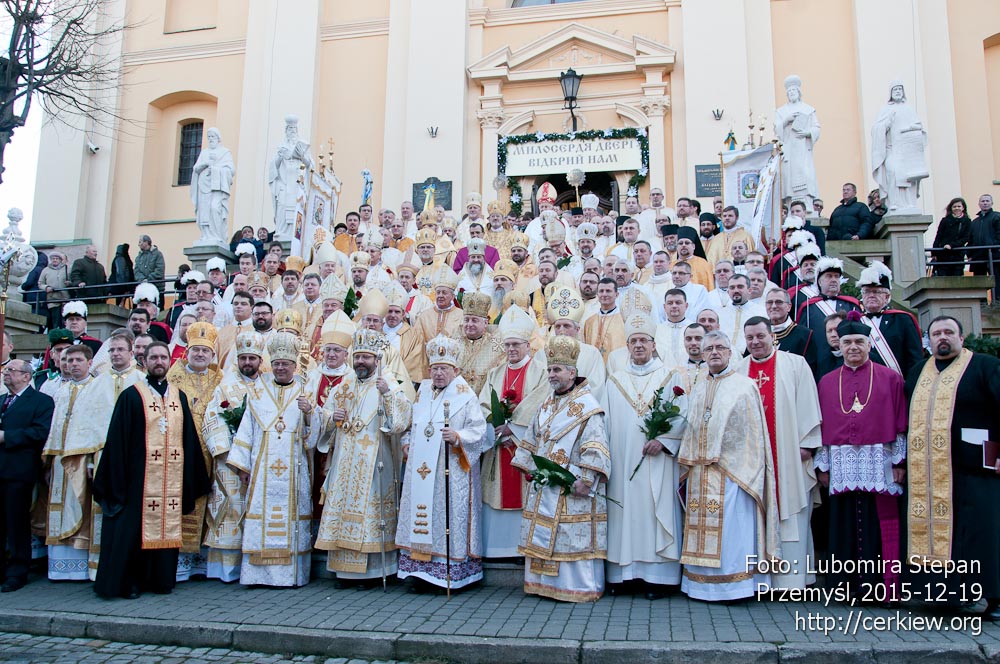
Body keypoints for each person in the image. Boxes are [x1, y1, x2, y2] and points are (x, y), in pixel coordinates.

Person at [92, 342, 211, 599]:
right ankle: (130, 583)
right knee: (132, 533)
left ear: (169, 361)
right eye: (154, 357)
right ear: (144, 361)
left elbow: (189, 439)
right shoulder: (132, 395)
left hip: (171, 478)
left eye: (163, 357)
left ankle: (160, 580)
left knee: (166, 528)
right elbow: (117, 441)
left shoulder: (177, 396)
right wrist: (119, 480)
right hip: (138, 479)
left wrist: (193, 476)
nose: (159, 362)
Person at [904, 316, 1000, 619]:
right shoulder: (918, 371)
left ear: (962, 337)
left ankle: (991, 597)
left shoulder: (985, 366)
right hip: (929, 474)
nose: (942, 338)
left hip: (975, 469)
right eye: (936, 333)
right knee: (938, 534)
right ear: (928, 340)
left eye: (949, 332)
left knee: (980, 534)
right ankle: (940, 594)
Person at [677, 330, 779, 601]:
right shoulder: (698, 388)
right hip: (701, 472)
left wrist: (726, 460)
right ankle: (701, 585)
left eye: (719, 348)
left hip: (733, 473)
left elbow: (753, 436)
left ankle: (737, 587)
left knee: (734, 533)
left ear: (730, 352)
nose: (713, 352)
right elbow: (692, 428)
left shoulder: (744, 387)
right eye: (708, 348)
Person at [511, 335, 609, 602]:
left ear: (572, 372)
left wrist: (586, 479)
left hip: (572, 485)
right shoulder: (547, 403)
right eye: (550, 370)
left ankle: (576, 587)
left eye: (557, 370)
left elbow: (596, 444)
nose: (551, 375)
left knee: (569, 534)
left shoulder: (589, 407)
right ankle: (542, 584)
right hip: (545, 484)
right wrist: (527, 467)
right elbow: (532, 438)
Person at [815, 312, 907, 599]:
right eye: (847, 342)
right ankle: (845, 586)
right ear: (838, 346)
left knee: (880, 520)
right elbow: (820, 426)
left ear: (869, 345)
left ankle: (884, 585)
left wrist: (899, 461)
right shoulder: (827, 381)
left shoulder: (891, 378)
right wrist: (822, 464)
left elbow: (901, 422)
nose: (853, 347)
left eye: (859, 342)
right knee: (843, 521)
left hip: (880, 459)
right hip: (841, 460)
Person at [313, 328, 412, 587]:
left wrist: (389, 394)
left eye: (366, 358)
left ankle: (374, 572)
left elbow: (402, 421)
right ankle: (343, 571)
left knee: (370, 513)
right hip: (344, 462)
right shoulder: (342, 387)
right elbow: (325, 417)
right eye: (357, 357)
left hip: (376, 462)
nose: (360, 362)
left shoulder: (387, 382)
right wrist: (330, 420)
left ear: (376, 360)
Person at [601, 313, 686, 599]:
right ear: (627, 346)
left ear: (653, 345)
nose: (638, 345)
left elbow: (682, 415)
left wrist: (663, 441)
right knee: (622, 512)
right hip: (623, 462)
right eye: (633, 341)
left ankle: (657, 578)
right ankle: (622, 576)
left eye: (644, 341)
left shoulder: (669, 376)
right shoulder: (615, 380)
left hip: (657, 460)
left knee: (654, 509)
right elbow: (604, 423)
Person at [396, 335, 489, 593]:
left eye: (443, 369)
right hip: (422, 470)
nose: (438, 374)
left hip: (451, 471)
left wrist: (458, 437)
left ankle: (449, 573)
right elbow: (411, 424)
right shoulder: (423, 391)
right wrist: (406, 442)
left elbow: (479, 431)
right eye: (435, 368)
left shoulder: (465, 396)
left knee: (447, 517)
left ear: (455, 370)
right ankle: (420, 572)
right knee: (422, 517)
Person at [737, 317, 822, 590]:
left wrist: (808, 442)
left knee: (792, 511)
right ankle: (760, 579)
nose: (755, 342)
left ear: (772, 336)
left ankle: (793, 580)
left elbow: (808, 401)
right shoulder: (739, 369)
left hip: (788, 454)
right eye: (750, 338)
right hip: (754, 460)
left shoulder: (795, 364)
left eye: (760, 336)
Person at [227, 332, 316, 587]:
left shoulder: (305, 390)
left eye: (285, 364)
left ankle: (290, 577)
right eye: (276, 364)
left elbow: (313, 436)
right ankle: (257, 576)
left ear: (294, 366)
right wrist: (242, 465)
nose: (280, 368)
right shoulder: (257, 391)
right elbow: (247, 430)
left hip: (294, 468)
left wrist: (310, 414)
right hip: (262, 466)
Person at [478, 305, 547, 558]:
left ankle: (522, 550)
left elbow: (541, 406)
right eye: (507, 345)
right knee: (498, 497)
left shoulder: (540, 373)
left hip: (525, 448)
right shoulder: (495, 373)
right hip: (498, 447)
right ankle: (497, 551)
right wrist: (495, 427)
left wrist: (513, 428)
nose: (511, 350)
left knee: (524, 497)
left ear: (528, 345)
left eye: (516, 345)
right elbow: (484, 404)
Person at [165, 322, 223, 581]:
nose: (200, 355)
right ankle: (179, 561)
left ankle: (201, 561)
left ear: (212, 355)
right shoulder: (171, 378)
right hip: (180, 450)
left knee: (210, 502)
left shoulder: (220, 379)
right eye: (195, 350)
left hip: (212, 451)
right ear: (186, 352)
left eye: (205, 351)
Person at [0, 360, 54, 592]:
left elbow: (40, 432)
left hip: (19, 471)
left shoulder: (40, 401)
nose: (6, 374)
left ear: (26, 376)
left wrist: (7, 437)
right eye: (5, 371)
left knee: (16, 523)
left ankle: (18, 571)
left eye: (11, 371)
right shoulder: (2, 400)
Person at [855, 261, 923, 379]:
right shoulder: (856, 322)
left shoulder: (903, 320)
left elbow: (914, 358)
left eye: (876, 291)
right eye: (866, 291)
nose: (871, 295)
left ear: (887, 297)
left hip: (896, 384)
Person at [871, 81, 928, 215]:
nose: (897, 91)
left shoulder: (909, 109)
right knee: (893, 172)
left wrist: (914, 128)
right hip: (892, 150)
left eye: (899, 89)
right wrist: (887, 122)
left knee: (910, 177)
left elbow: (919, 128)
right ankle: (894, 202)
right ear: (891, 93)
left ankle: (909, 203)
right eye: (895, 89)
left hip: (907, 151)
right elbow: (876, 130)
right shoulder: (886, 110)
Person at [774, 75, 820, 210]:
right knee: (788, 178)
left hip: (803, 149)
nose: (791, 93)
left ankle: (807, 207)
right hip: (788, 148)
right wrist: (786, 120)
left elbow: (816, 127)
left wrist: (807, 133)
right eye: (789, 92)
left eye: (794, 91)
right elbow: (776, 130)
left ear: (799, 92)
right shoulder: (782, 111)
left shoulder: (808, 109)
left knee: (806, 174)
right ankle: (790, 207)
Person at [269, 116, 315, 239]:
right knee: (282, 206)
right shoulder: (281, 147)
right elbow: (273, 167)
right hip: (284, 184)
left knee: (297, 207)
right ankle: (282, 233)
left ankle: (297, 234)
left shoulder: (302, 148)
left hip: (298, 185)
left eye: (294, 130)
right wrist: (281, 156)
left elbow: (311, 166)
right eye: (289, 129)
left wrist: (302, 157)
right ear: (286, 131)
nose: (292, 132)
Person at [449, 292, 502, 396]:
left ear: (485, 323)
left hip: (482, 404)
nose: (469, 324)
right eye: (466, 320)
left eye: (474, 320)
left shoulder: (497, 347)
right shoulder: (452, 343)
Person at [190, 128, 236, 246]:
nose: (210, 139)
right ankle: (206, 235)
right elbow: (196, 169)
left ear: (218, 138)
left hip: (218, 187)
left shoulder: (225, 152)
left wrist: (216, 170)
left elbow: (231, 170)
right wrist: (205, 164)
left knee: (215, 208)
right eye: (208, 137)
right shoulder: (204, 152)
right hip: (204, 186)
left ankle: (217, 235)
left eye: (213, 136)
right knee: (204, 211)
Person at [932, 198, 972, 277]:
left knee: (957, 276)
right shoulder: (945, 220)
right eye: (954, 206)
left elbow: (966, 238)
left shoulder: (967, 221)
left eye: (959, 206)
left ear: (963, 208)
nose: (957, 208)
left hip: (957, 254)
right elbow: (938, 236)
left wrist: (952, 245)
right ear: (951, 208)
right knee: (942, 277)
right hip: (943, 254)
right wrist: (934, 252)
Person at [969, 194, 1000, 278]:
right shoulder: (974, 222)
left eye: (987, 201)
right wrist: (970, 255)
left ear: (992, 203)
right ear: (979, 204)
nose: (985, 203)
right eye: (983, 201)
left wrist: (995, 248)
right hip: (978, 257)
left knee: (996, 283)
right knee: (979, 285)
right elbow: (970, 239)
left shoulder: (997, 217)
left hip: (994, 256)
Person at [39, 251, 71, 330]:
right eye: (53, 258)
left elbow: (72, 280)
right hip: (52, 299)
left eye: (57, 258)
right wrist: (46, 288)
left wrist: (69, 283)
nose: (55, 260)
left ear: (60, 260)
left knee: (64, 320)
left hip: (64, 298)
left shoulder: (67, 269)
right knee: (54, 320)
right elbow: (40, 283)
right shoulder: (45, 270)